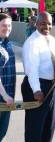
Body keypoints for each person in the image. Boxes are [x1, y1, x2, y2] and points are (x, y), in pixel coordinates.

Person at [21, 12, 55, 142]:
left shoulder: (53, 41)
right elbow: (32, 69)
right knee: (35, 129)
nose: (47, 26)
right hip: (36, 87)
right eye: (43, 23)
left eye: (49, 24)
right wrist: (37, 90)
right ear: (37, 24)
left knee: (48, 128)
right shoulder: (32, 42)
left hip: (52, 87)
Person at [0, 13, 16, 141]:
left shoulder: (7, 43)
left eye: (9, 25)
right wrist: (5, 95)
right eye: (4, 25)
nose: (8, 28)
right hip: (2, 96)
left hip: (8, 96)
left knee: (2, 130)